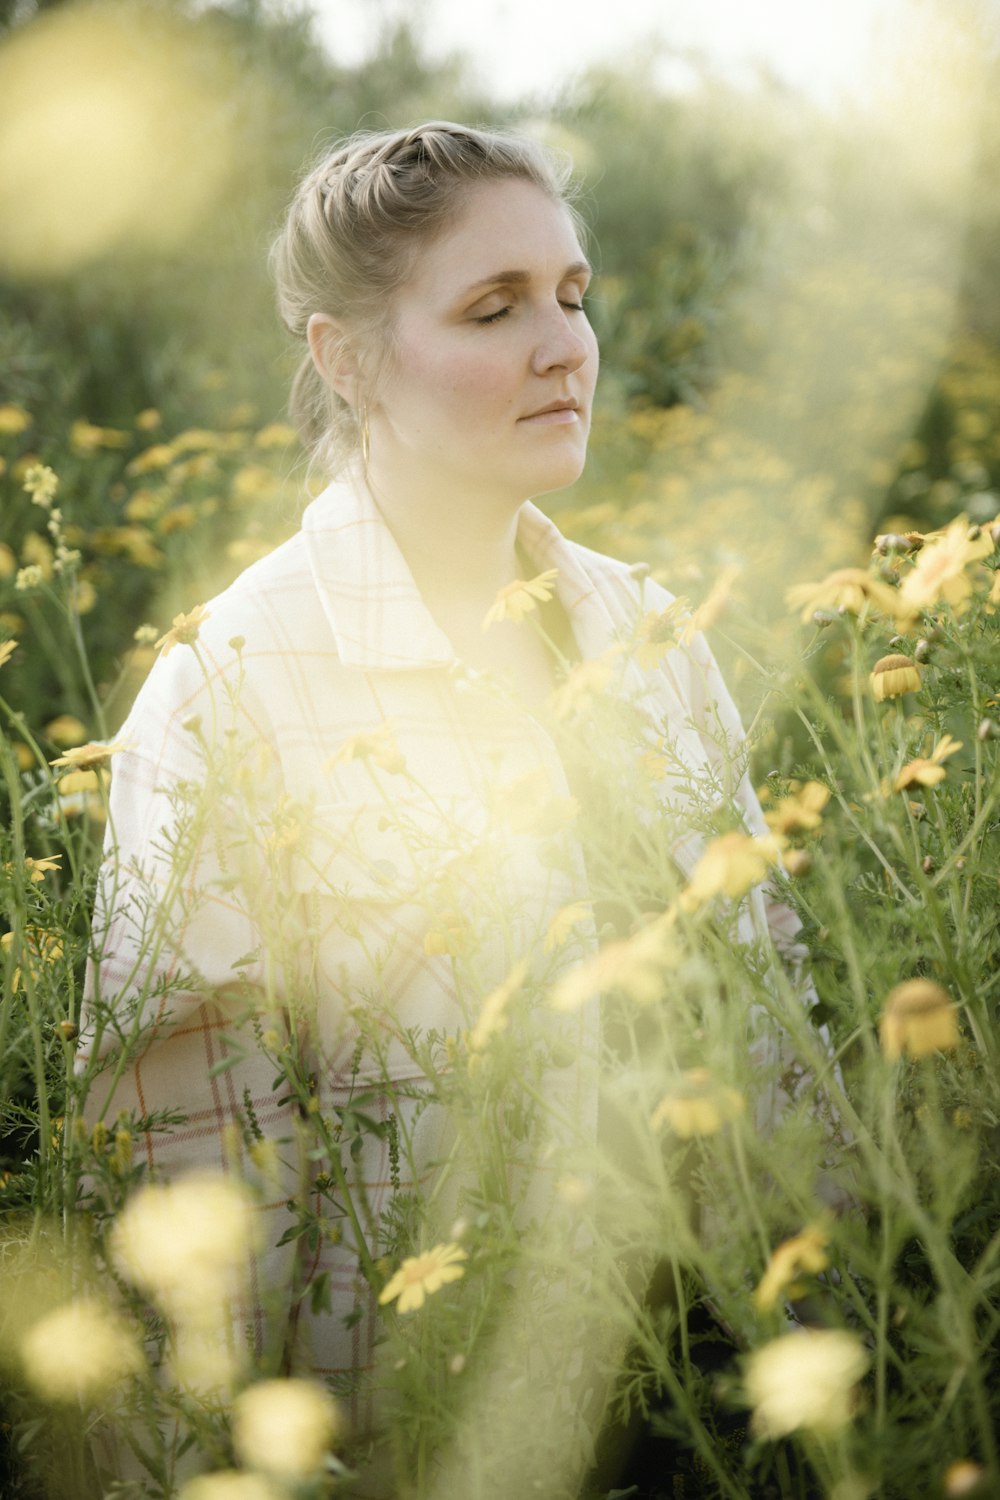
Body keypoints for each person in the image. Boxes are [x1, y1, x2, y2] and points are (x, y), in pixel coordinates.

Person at [78, 122, 814, 1495]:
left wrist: (835, 1365)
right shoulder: (230, 686)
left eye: (573, 297)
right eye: (495, 308)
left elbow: (773, 1019)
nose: (564, 347)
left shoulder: (651, 632)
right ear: (345, 359)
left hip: (706, 1416)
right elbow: (191, 1174)